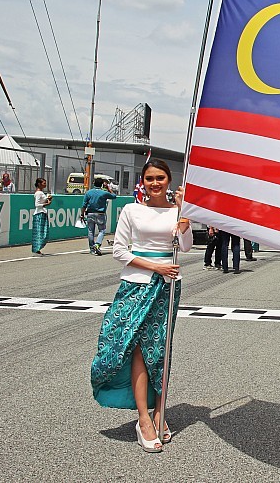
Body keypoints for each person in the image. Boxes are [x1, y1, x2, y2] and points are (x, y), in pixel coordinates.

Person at [90, 159, 192, 453]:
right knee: (133, 346)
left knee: (160, 349)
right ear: (143, 181)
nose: (155, 182)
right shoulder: (131, 210)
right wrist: (155, 267)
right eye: (150, 178)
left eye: (160, 177)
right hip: (136, 284)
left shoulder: (178, 210)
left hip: (169, 286)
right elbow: (119, 251)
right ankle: (143, 419)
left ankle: (160, 412)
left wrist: (184, 214)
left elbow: (184, 247)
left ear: (169, 180)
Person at [81, 177, 118, 255]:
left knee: (91, 231)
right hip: (100, 214)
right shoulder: (103, 193)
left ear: (94, 184)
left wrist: (82, 214)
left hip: (90, 213)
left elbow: (84, 205)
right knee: (102, 230)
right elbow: (114, 196)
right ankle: (97, 244)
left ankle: (91, 248)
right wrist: (108, 187)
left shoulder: (88, 193)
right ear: (102, 185)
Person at [31, 177, 52, 255]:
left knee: (43, 232)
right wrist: (47, 203)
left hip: (42, 212)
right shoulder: (38, 193)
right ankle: (37, 248)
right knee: (40, 232)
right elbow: (37, 204)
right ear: (39, 184)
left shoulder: (41, 193)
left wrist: (48, 199)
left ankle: (37, 248)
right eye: (44, 183)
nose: (45, 184)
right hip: (39, 214)